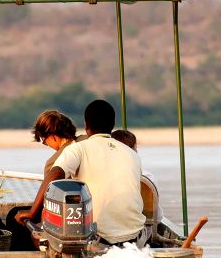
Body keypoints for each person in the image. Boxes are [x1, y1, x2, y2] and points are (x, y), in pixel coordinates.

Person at [21, 100, 146, 247]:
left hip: (97, 238)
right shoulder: (132, 154)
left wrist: (32, 213)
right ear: (112, 125)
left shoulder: (77, 149)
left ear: (86, 126)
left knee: (36, 234)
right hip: (135, 238)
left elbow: (55, 175)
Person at [8, 110, 79, 250]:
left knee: (14, 216)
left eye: (43, 139)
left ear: (53, 135)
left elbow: (50, 196)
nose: (45, 144)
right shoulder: (83, 143)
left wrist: (32, 213)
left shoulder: (55, 161)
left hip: (65, 215)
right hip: (76, 208)